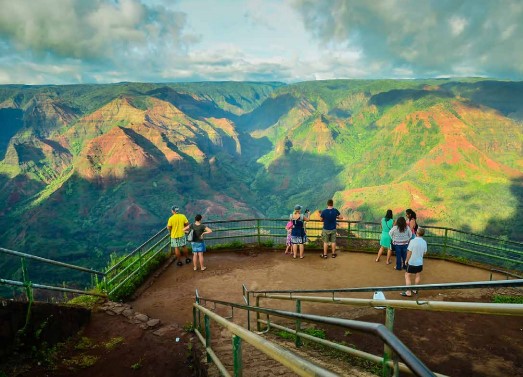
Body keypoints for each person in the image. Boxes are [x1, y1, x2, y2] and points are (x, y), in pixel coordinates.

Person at [401, 228, 428, 297]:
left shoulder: (413, 241)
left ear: (416, 233)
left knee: (407, 275)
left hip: (412, 262)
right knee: (418, 275)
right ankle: (415, 289)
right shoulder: (424, 242)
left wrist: (406, 260)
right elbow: (425, 252)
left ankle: (408, 291)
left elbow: (409, 252)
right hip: (420, 262)